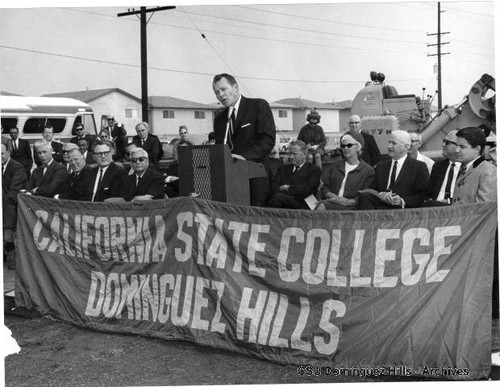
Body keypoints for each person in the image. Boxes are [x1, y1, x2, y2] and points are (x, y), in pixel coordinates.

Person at [212, 73, 276, 206]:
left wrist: (242, 157)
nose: (220, 95)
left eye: (223, 89)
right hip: (231, 181)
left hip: (255, 176)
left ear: (235, 87)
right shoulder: (219, 119)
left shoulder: (258, 106)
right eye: (217, 92)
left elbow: (267, 139)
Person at [357, 130, 429, 210]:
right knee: (364, 196)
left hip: (403, 210)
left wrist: (402, 201)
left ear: (406, 147)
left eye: (393, 143)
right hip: (381, 207)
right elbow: (373, 189)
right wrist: (382, 194)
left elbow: (423, 194)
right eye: (389, 142)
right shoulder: (381, 166)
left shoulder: (419, 167)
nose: (389, 146)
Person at [316, 132, 374, 210]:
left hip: (353, 207)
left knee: (322, 206)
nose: (346, 148)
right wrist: (334, 197)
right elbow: (324, 187)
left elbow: (365, 195)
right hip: (332, 202)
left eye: (349, 145)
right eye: (343, 146)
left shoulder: (368, 170)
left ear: (358, 147)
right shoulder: (335, 165)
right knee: (321, 205)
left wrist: (347, 202)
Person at [269, 140, 321, 209]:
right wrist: (296, 190)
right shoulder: (282, 169)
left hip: (304, 204)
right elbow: (275, 188)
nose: (291, 157)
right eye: (289, 153)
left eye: (294, 154)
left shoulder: (314, 170)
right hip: (283, 202)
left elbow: (308, 189)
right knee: (276, 197)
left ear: (304, 154)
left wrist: (288, 188)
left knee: (278, 197)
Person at [452, 127, 497, 204]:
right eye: (456, 145)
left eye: (462, 147)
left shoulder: (488, 171)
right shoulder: (465, 167)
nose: (456, 150)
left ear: (477, 149)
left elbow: (483, 208)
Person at [2, 143, 27, 269]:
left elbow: (13, 193)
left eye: (2, 153)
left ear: (8, 152)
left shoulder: (17, 168)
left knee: (8, 237)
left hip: (10, 208)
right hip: (4, 205)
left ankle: (13, 262)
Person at [423, 130, 461, 206]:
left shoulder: (467, 168)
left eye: (447, 142)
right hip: (434, 209)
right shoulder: (438, 166)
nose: (443, 145)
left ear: (458, 146)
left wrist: (448, 201)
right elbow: (428, 192)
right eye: (443, 141)